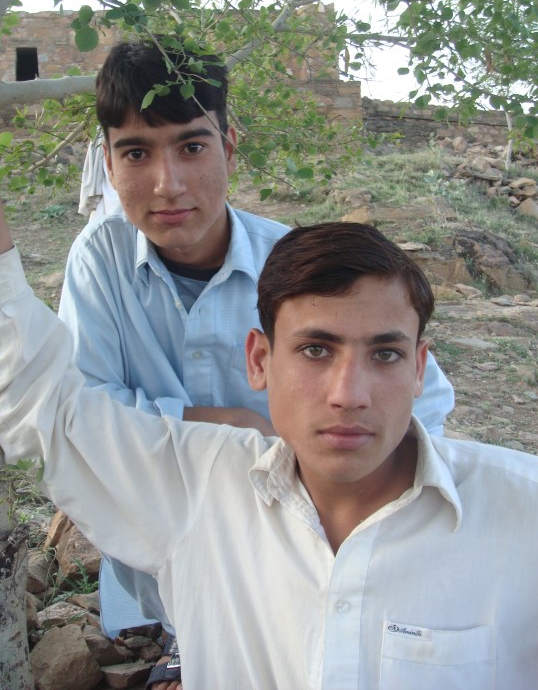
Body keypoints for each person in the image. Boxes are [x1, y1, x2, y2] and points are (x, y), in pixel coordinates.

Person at [0, 128, 536, 689]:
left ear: (419, 368)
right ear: (259, 361)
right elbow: (48, 411)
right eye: (316, 350)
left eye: (384, 354)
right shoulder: (199, 490)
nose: (348, 394)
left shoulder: (520, 516)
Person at [55, 39, 456, 677]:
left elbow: (424, 402)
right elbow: (80, 413)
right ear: (107, 162)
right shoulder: (99, 261)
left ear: (230, 146)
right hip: (164, 555)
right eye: (136, 153)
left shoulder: (295, 265)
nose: (167, 184)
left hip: (309, 546)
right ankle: (182, 641)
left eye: (192, 147)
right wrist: (231, 427)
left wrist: (338, 477)